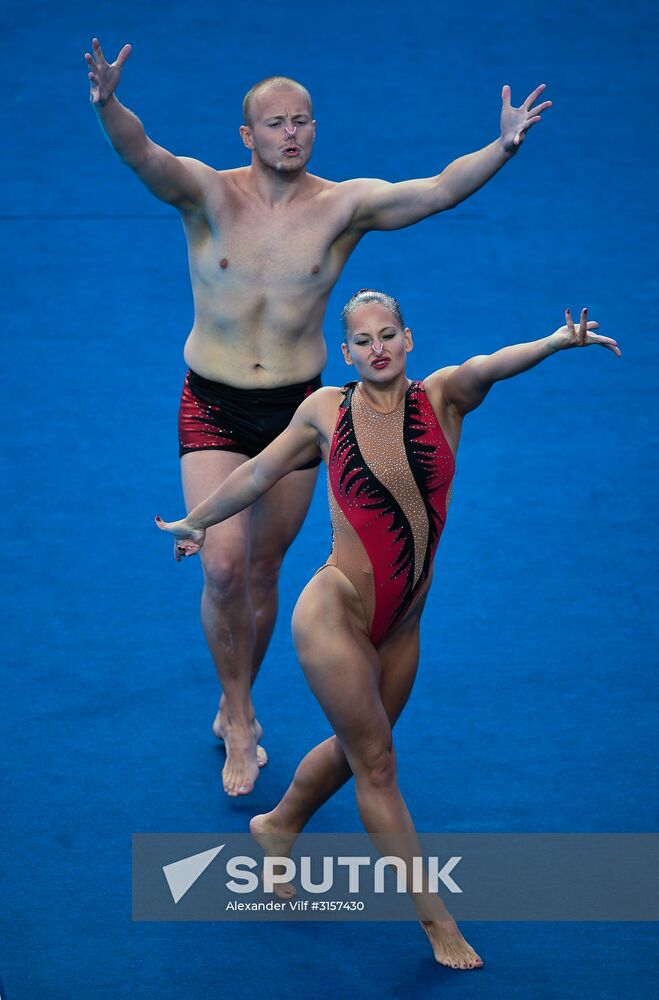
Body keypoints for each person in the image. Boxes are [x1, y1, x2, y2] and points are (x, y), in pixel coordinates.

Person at [86, 37, 552, 796]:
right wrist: (108, 105)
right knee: (223, 562)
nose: (291, 133)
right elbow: (144, 156)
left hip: (295, 412)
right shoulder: (209, 194)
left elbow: (434, 190)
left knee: (264, 568)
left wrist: (499, 146)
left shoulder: (342, 206)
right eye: (275, 123)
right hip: (211, 399)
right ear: (247, 135)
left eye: (302, 121)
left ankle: (242, 690)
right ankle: (237, 713)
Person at [156, 289, 619, 967]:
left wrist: (553, 343)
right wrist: (200, 520)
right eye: (362, 341)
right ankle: (436, 925)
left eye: (387, 336)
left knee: (354, 751)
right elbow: (260, 468)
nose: (376, 349)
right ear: (344, 353)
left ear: (408, 340)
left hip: (402, 624)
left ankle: (277, 827)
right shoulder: (324, 410)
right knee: (376, 763)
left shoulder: (442, 400)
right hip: (334, 612)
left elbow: (493, 363)